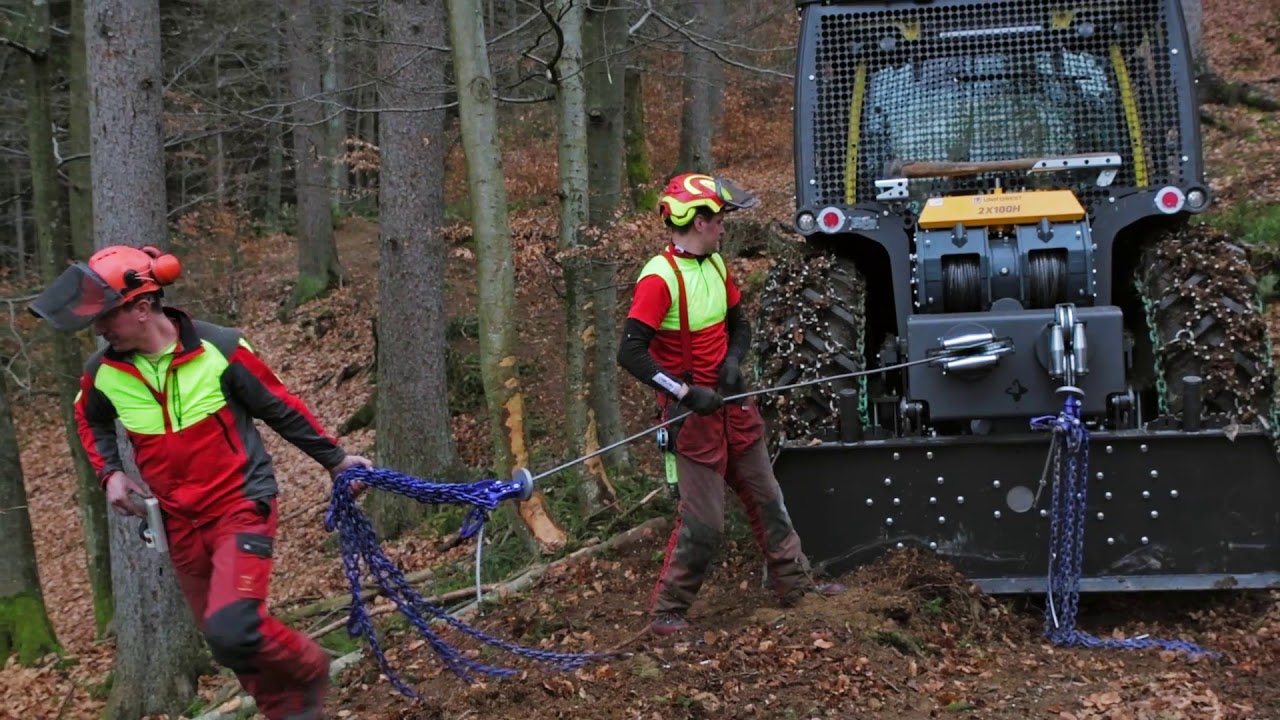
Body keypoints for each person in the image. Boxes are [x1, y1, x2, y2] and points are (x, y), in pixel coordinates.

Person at [30, 245, 371, 720]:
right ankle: (290, 713)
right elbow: (88, 422)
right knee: (223, 643)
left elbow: (279, 406)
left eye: (106, 317)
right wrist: (111, 474)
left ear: (142, 307)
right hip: (178, 521)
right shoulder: (102, 374)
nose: (99, 330)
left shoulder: (221, 349)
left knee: (235, 626)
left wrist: (335, 461)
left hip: (240, 503)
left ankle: (309, 665)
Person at [617, 173, 845, 637]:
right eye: (719, 219)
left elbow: (739, 326)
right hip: (690, 415)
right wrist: (683, 392)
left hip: (734, 404)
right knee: (705, 523)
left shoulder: (718, 266)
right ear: (699, 221)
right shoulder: (659, 278)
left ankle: (797, 587)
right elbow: (630, 353)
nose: (724, 227)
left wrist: (734, 361)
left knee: (768, 500)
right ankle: (667, 613)